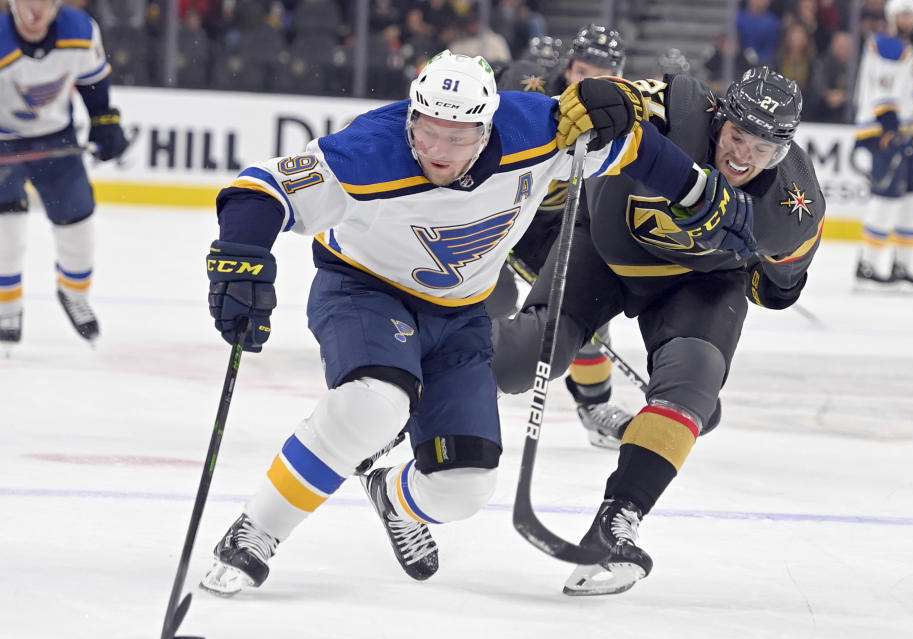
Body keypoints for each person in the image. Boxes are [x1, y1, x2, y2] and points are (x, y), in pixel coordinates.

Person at [198, 50, 738, 595]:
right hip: (365, 290)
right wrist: (240, 259)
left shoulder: (537, 130)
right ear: (411, 115)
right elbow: (261, 188)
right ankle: (257, 530)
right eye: (427, 131)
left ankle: (393, 496)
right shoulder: (369, 150)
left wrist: (697, 190)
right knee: (374, 405)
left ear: (486, 127)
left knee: (463, 487)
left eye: (458, 137)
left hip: (463, 317)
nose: (438, 151)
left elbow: (634, 146)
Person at [493, 66, 825, 596]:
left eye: (762, 148)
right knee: (528, 358)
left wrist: (752, 257)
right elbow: (619, 97)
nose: (744, 155)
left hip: (698, 286)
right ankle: (425, 386)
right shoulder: (683, 109)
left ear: (783, 152)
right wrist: (601, 100)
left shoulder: (794, 209)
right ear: (720, 120)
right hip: (600, 251)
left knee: (693, 385)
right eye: (739, 136)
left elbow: (775, 289)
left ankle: (617, 519)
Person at [491, 24, 636, 450]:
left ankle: (595, 406)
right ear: (567, 66)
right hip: (499, 212)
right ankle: (458, 385)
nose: (585, 82)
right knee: (483, 303)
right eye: (580, 70)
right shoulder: (529, 86)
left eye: (600, 74)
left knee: (586, 309)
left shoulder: (627, 110)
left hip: (553, 224)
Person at [0, 0, 129, 348]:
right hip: (2, 141)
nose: (34, 9)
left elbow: (93, 83)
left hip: (56, 137)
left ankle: (74, 292)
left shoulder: (81, 32)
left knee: (79, 223)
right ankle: (6, 304)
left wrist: (104, 120)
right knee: (5, 229)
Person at [853, 0, 913, 288]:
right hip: (886, 131)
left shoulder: (903, 46)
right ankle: (868, 264)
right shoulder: (886, 45)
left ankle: (903, 265)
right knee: (885, 198)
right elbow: (882, 90)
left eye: (912, 14)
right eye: (903, 13)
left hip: (906, 132)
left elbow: (900, 87)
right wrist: (889, 127)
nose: (909, 19)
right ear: (892, 15)